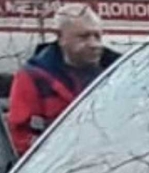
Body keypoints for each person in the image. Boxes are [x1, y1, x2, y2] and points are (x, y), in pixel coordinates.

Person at [7, 4, 119, 154]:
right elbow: (21, 137)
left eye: (97, 36)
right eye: (84, 37)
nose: (94, 44)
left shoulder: (118, 72)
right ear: (60, 37)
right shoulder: (33, 77)